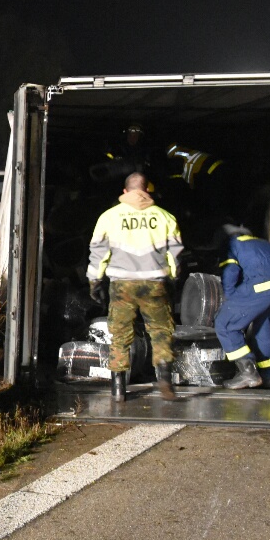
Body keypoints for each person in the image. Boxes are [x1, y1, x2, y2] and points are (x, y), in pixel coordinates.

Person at [87, 172, 183, 402]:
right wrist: (173, 277)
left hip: (122, 285)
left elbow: (98, 254)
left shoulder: (109, 217)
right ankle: (165, 379)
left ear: (125, 192)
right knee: (160, 331)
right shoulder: (165, 217)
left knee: (120, 334)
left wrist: (94, 280)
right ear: (146, 190)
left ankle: (118, 389)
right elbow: (176, 255)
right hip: (154, 284)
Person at [213, 224, 270, 389]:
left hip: (264, 284)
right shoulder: (262, 243)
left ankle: (247, 372)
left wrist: (231, 304)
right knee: (264, 326)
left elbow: (230, 272)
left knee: (224, 324)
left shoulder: (231, 244)